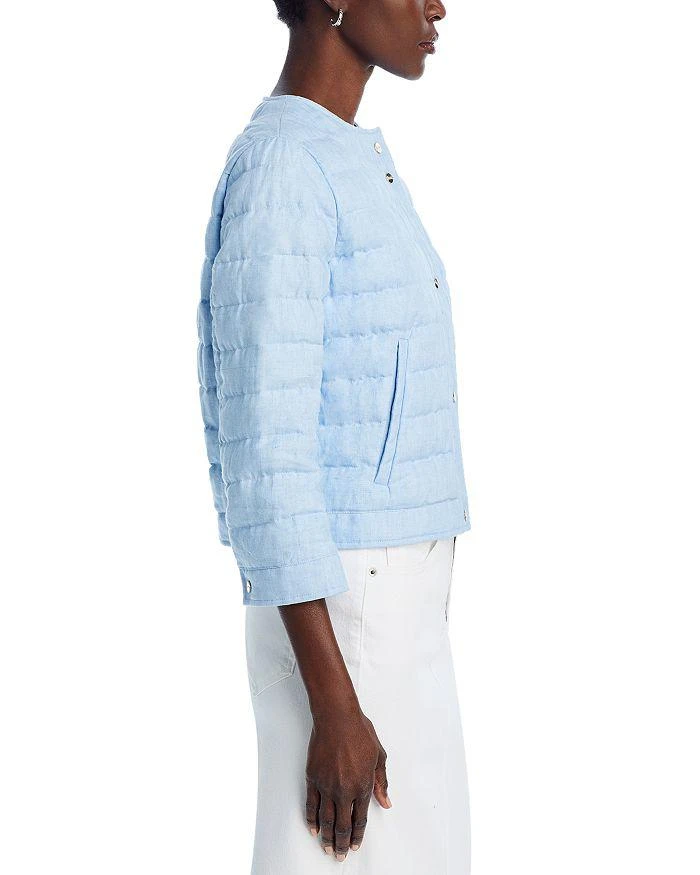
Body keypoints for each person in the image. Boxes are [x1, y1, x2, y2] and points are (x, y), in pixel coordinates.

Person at [196, 1, 471, 871]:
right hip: (343, 621)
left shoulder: (340, 153)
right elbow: (264, 445)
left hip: (389, 612)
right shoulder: (285, 166)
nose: (437, 6)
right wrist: (334, 701)